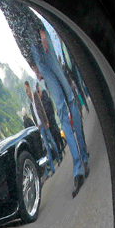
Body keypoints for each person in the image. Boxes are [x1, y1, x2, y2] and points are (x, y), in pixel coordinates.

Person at [28, 18, 90, 197]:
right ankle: (78, 169)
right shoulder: (1, 2)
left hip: (41, 40)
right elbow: (18, 37)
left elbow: (26, 8)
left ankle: (84, 155)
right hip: (34, 53)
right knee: (62, 108)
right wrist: (33, 65)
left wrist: (41, 30)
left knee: (70, 100)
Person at [26, 81, 60, 173]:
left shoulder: (36, 96)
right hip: (40, 127)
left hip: (44, 124)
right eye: (26, 91)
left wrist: (46, 121)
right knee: (47, 146)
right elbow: (34, 115)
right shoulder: (30, 104)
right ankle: (53, 169)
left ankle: (58, 157)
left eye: (27, 90)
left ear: (29, 88)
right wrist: (37, 124)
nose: (27, 93)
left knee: (52, 142)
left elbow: (41, 109)